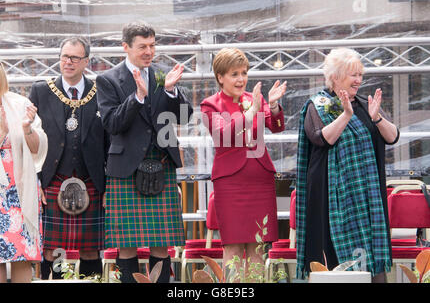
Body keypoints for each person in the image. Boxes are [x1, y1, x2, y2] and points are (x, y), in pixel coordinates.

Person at [96, 22, 193, 283]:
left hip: (161, 163)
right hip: (126, 167)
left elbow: (184, 117)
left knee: (162, 242)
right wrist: (137, 97)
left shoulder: (163, 75)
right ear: (125, 47)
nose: (149, 51)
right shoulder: (108, 79)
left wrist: (172, 92)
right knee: (126, 244)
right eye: (142, 47)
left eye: (152, 45)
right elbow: (112, 123)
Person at [295, 47, 400, 282]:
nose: (358, 80)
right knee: (336, 263)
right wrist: (345, 115)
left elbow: (393, 137)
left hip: (367, 198)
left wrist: (377, 118)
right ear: (335, 76)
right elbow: (322, 138)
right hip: (332, 201)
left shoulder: (365, 104)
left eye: (360, 74)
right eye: (353, 74)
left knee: (373, 262)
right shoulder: (319, 104)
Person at [200, 48, 287, 279]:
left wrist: (275, 104)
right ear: (220, 77)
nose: (241, 79)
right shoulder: (210, 104)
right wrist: (251, 114)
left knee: (258, 247)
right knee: (233, 247)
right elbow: (223, 135)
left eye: (244, 73)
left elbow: (276, 125)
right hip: (230, 183)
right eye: (234, 74)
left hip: (259, 178)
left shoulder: (254, 99)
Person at [29, 37, 108, 279]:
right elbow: (32, 141)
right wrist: (37, 181)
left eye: (75, 57)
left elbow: (109, 140)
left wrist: (108, 185)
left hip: (92, 180)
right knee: (53, 250)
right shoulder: (41, 90)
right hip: (53, 179)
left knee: (90, 251)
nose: (68, 62)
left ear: (86, 61)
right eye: (64, 56)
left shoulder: (101, 91)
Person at [0, 54, 48, 283]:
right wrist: (3, 130)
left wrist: (26, 129)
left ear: (0, 75)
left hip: (20, 189)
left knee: (22, 254)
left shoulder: (20, 103)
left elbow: (38, 149)